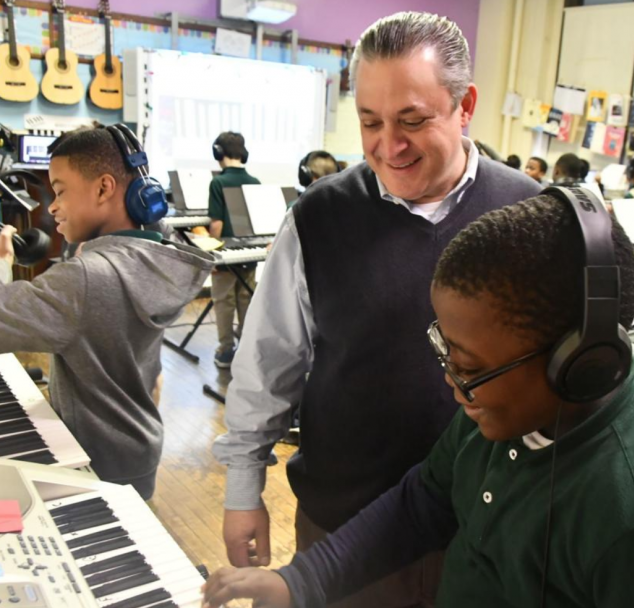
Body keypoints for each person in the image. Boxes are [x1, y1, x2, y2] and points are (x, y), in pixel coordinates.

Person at [203, 190, 634, 608]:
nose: (452, 383)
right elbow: (422, 502)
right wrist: (297, 582)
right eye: (448, 352)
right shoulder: (504, 412)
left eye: (469, 367)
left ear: (579, 364)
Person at [212, 11, 541, 608]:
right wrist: (242, 490)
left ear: (465, 106)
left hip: (489, 532)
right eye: (370, 121)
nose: (388, 146)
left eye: (413, 121)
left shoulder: (531, 214)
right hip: (342, 531)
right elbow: (267, 363)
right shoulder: (320, 215)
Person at [0, 125, 214, 499]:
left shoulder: (85, 278)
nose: (51, 206)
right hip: (136, 446)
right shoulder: (153, 256)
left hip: (94, 460)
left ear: (103, 188)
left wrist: (3, 264)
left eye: (60, 191)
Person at [207, 131, 262, 368]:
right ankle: (247, 349)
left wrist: (212, 255)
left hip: (227, 255)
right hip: (250, 252)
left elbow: (216, 224)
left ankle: (225, 351)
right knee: (246, 299)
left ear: (219, 152)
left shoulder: (218, 182)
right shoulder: (255, 182)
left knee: (223, 301)